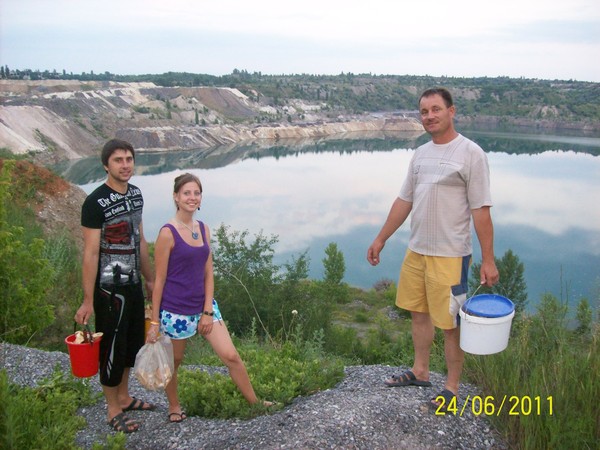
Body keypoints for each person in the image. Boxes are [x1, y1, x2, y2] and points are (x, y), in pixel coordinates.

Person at [366, 87, 499, 411]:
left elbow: (481, 210)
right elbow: (405, 200)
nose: (429, 116)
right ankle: (420, 371)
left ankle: (451, 389)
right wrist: (381, 238)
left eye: (436, 109)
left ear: (451, 111)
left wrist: (488, 259)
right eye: (424, 111)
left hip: (451, 254)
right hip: (417, 250)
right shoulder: (420, 154)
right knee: (418, 314)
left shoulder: (471, 153)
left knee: (450, 324)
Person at [146, 172, 272, 423]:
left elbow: (208, 273)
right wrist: (155, 322)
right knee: (174, 361)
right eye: (186, 193)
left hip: (203, 306)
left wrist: (207, 311)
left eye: (197, 193)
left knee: (231, 356)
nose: (192, 197)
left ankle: (256, 403)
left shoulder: (203, 229)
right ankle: (174, 405)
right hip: (175, 311)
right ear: (176, 197)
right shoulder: (167, 233)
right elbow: (159, 280)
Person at [74, 139, 155, 433]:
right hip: (110, 289)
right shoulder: (95, 202)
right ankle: (112, 409)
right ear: (106, 165)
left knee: (132, 343)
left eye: (129, 159)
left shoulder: (136, 195)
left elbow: (140, 240)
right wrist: (87, 300)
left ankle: (124, 396)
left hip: (133, 284)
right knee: (111, 347)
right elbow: (91, 253)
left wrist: (149, 278)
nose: (125, 165)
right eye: (118, 160)